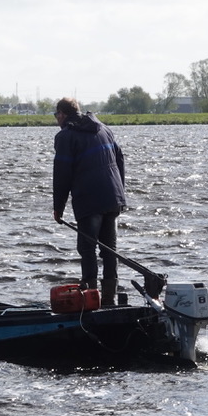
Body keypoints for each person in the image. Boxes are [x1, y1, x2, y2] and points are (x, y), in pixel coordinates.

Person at [52, 96, 127, 307]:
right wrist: (120, 193)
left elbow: (62, 175)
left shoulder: (66, 136)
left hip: (89, 199)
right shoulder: (103, 128)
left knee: (87, 248)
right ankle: (109, 299)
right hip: (113, 197)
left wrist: (58, 207)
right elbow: (120, 159)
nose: (56, 119)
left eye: (56, 114)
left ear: (62, 114)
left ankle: (92, 298)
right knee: (109, 249)